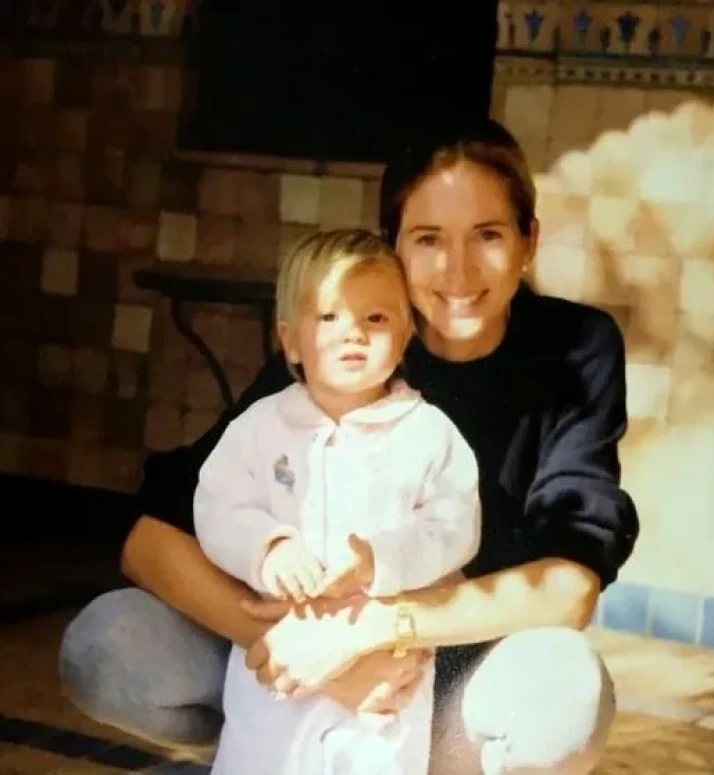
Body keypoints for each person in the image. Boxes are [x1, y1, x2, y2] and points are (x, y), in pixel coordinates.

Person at [60, 117, 639, 775]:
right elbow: (149, 539)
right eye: (428, 239)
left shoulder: (574, 349)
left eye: (488, 234)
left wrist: (371, 632)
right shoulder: (345, 342)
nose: (457, 268)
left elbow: (568, 589)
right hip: (289, 658)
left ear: (529, 241)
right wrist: (308, 658)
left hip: (450, 676)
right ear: (392, 246)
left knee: (566, 695)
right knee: (105, 645)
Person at [197, 228, 481, 775]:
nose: (352, 332)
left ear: (405, 337)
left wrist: (384, 560)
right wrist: (268, 546)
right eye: (328, 316)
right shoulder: (259, 428)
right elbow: (217, 505)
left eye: (376, 319)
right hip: (281, 670)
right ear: (291, 340)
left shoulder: (427, 434)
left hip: (381, 665)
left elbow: (454, 525)